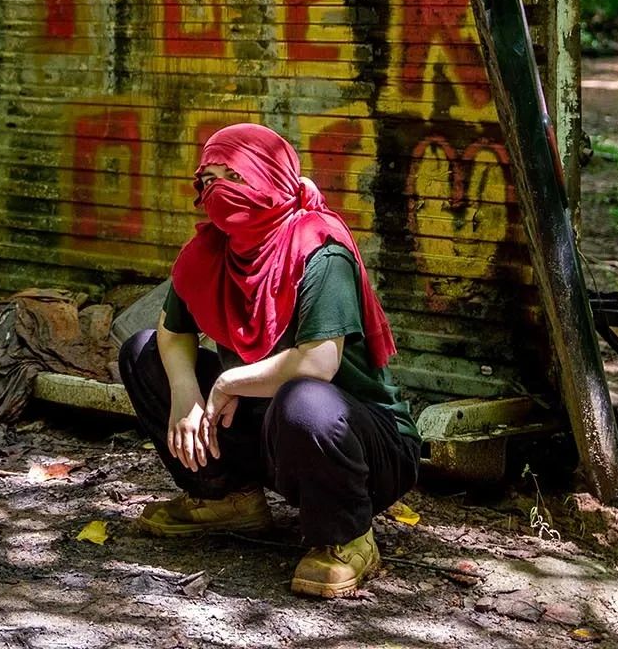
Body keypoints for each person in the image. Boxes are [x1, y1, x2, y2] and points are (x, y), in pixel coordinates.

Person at [117, 123, 421, 597]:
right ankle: (228, 499)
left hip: (361, 442)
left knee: (304, 400)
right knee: (142, 353)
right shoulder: (212, 250)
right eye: (209, 179)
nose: (218, 191)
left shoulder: (319, 248)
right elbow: (171, 331)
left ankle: (347, 535)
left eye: (234, 177)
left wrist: (227, 383)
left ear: (269, 179)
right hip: (267, 426)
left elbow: (318, 364)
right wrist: (185, 391)